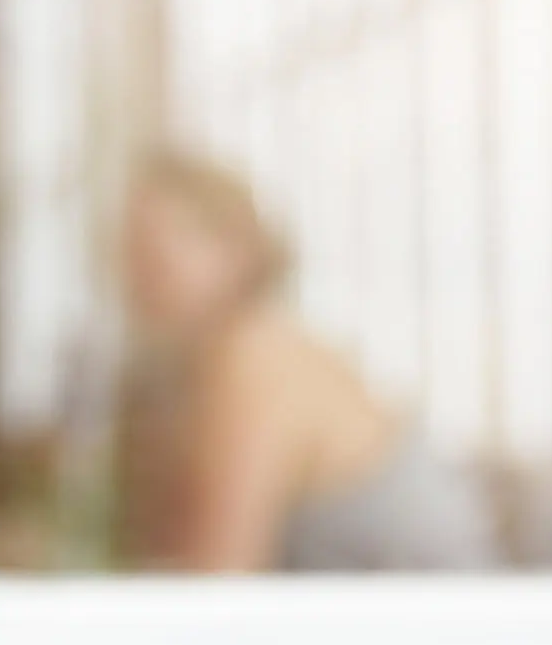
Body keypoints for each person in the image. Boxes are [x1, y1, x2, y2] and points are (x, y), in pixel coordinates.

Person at [116, 151, 494, 572]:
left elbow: (219, 575)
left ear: (235, 249)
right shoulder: (215, 364)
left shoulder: (256, 357)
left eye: (156, 253)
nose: (136, 275)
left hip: (443, 627)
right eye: (132, 252)